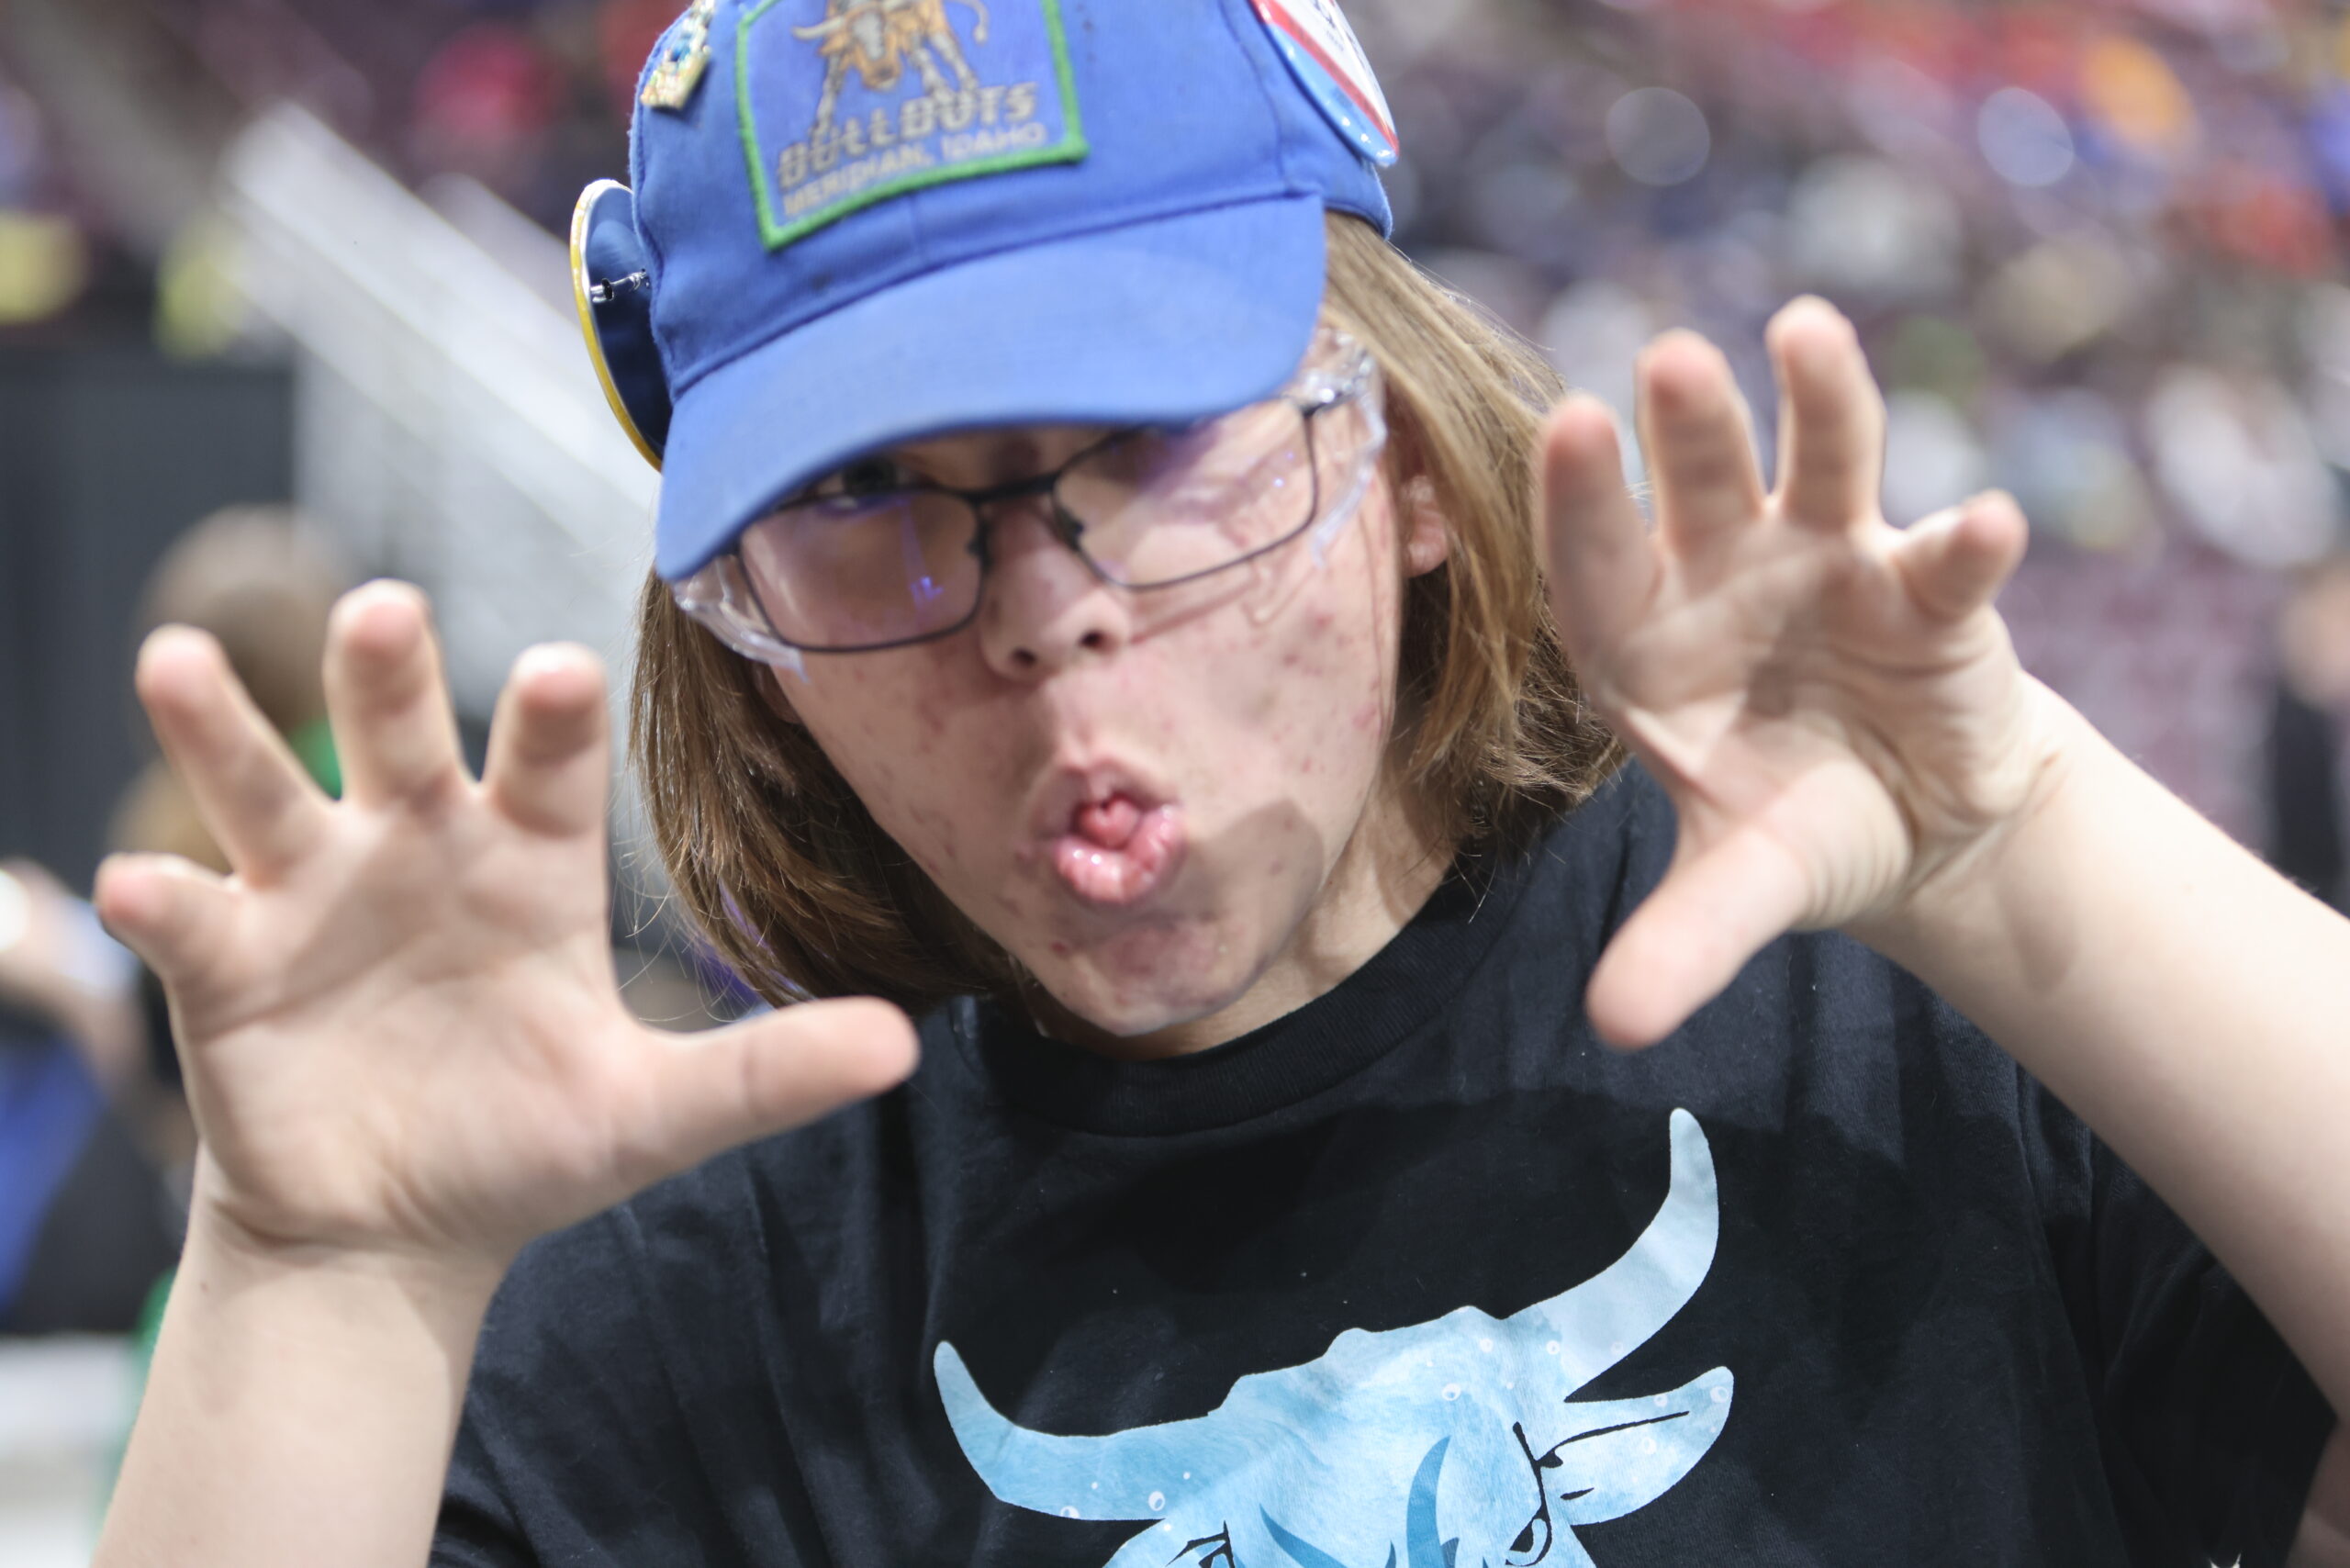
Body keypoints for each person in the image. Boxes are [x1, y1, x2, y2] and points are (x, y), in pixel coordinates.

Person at [89, 4, 2349, 1565]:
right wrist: (318, 1279)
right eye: (866, 499)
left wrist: (2016, 847)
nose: (1036, 609)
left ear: (1404, 460)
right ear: (747, 651)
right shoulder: (682, 1310)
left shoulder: (1908, 1025)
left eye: (1148, 435)